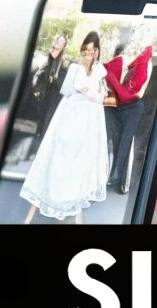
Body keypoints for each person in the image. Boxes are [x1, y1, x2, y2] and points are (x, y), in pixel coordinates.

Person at [19, 31, 110, 223]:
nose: (89, 53)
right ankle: (32, 213)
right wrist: (87, 91)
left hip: (89, 123)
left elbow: (101, 96)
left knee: (80, 166)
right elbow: (68, 90)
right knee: (56, 159)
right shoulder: (75, 68)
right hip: (70, 119)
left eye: (92, 50)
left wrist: (93, 93)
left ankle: (77, 215)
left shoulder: (101, 70)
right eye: (85, 49)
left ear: (97, 51)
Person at [102, 26, 155, 193]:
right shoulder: (121, 57)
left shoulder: (145, 61)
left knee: (125, 142)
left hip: (133, 107)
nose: (133, 41)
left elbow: (136, 90)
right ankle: (110, 175)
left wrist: (115, 83)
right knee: (114, 140)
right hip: (115, 105)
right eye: (131, 38)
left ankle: (119, 180)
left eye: (136, 38)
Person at [23, 31, 71, 152]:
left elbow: (62, 80)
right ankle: (35, 143)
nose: (57, 45)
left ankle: (41, 147)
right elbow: (41, 72)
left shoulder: (64, 63)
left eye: (61, 43)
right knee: (40, 118)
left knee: (47, 120)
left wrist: (54, 80)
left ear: (64, 46)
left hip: (54, 96)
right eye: (57, 42)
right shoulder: (49, 56)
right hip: (43, 93)